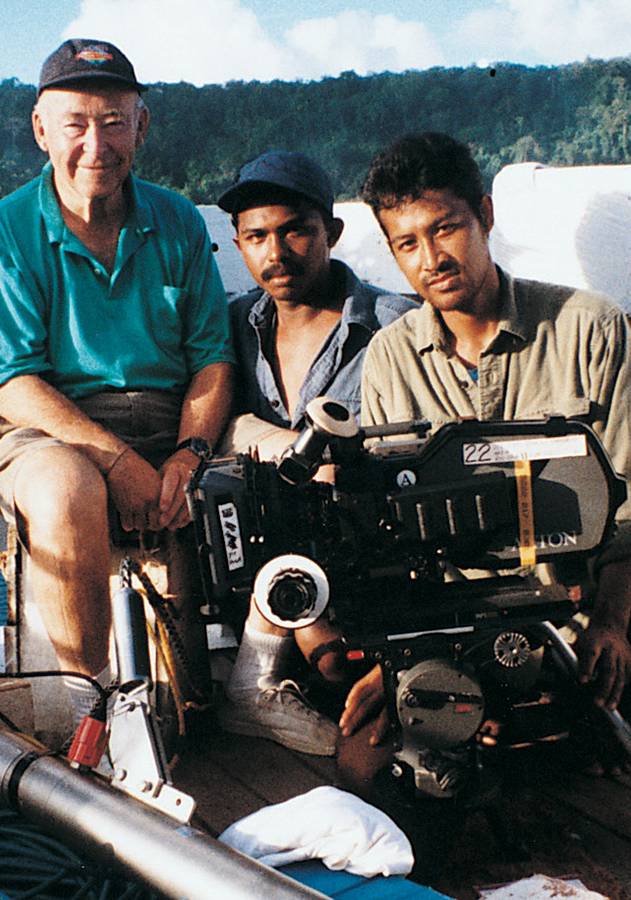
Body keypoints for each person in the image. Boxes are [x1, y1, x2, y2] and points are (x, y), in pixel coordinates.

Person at [348, 132, 631, 775]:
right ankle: (524, 727)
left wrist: (610, 622)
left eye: (446, 229)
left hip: (591, 598)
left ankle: (560, 719)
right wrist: (402, 658)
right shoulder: (388, 355)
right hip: (460, 616)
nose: (431, 257)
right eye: (406, 243)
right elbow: (393, 532)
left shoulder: (588, 324)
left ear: (486, 217)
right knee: (367, 767)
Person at [0, 39, 233, 729]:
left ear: (141, 127)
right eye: (76, 122)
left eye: (115, 120)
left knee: (275, 470)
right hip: (48, 429)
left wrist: (189, 454)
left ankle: (255, 684)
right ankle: (86, 703)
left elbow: (211, 361)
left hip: (169, 425)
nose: (96, 143)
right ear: (41, 130)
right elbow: (13, 385)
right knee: (67, 488)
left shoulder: (177, 221)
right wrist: (116, 464)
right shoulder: (7, 231)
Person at [211, 151, 416, 756]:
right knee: (330, 667)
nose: (275, 253)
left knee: (337, 675)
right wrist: (271, 441)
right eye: (256, 237)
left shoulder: (393, 326)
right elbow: (205, 427)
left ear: (333, 231)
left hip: (368, 559)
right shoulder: (231, 326)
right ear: (239, 244)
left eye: (295, 230)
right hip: (257, 558)